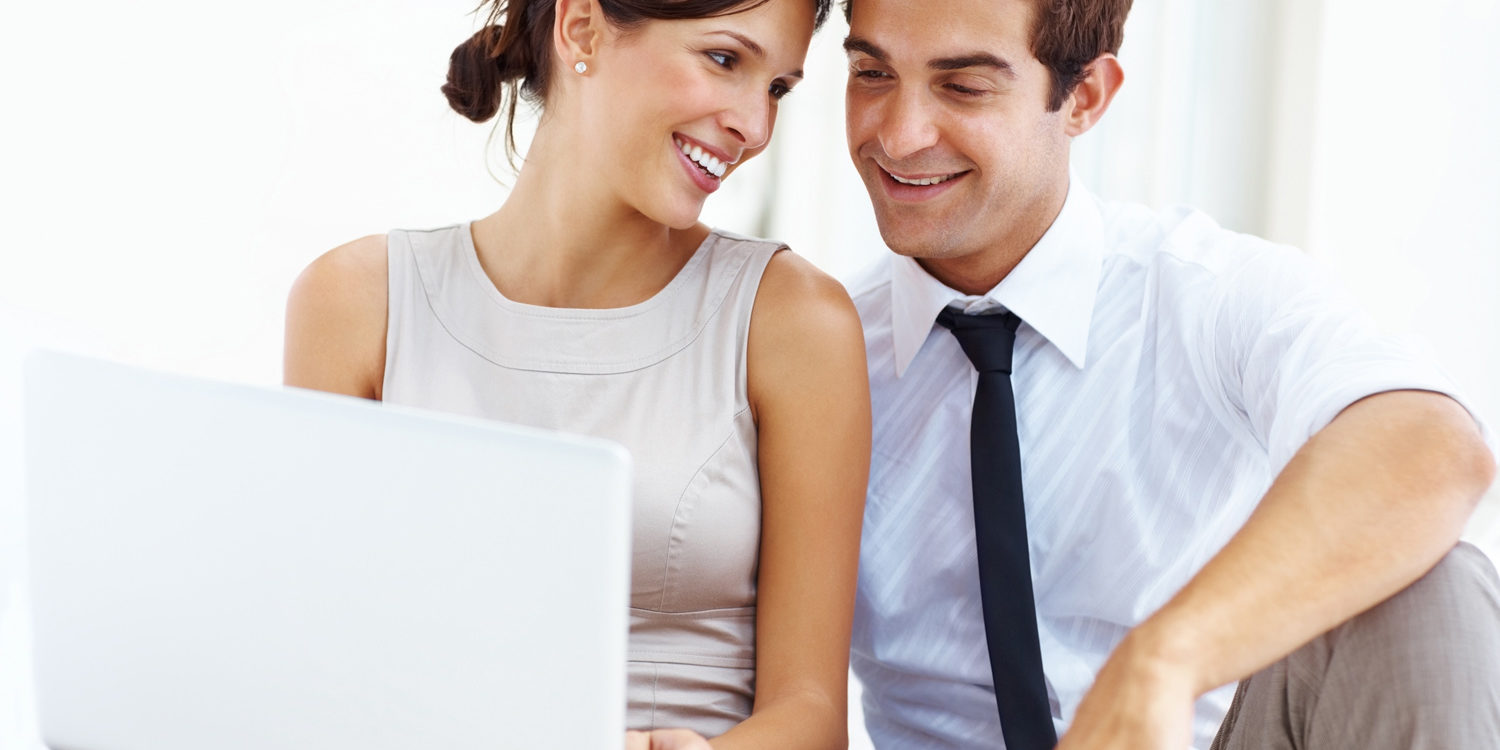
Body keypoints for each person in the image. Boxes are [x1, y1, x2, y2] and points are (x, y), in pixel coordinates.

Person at [837, 0, 1500, 748]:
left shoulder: (1206, 295)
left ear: (1084, 96)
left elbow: (1432, 446)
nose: (897, 134)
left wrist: (1163, 661)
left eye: (963, 88)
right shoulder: (820, 356)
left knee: (1434, 589)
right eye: (871, 73)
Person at [282, 1, 871, 748]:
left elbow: (813, 713)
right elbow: (319, 669)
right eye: (725, 60)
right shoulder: (357, 305)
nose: (754, 127)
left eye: (778, 88)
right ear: (582, 28)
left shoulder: (793, 321)